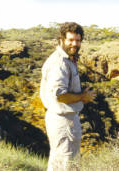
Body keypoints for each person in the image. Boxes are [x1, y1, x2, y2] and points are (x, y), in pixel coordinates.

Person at [40, 22, 96, 171]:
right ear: (61, 39)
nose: (74, 44)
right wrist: (83, 96)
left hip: (66, 119)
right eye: (70, 40)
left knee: (59, 163)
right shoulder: (59, 63)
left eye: (78, 40)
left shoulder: (68, 59)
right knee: (67, 165)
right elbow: (61, 96)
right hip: (63, 121)